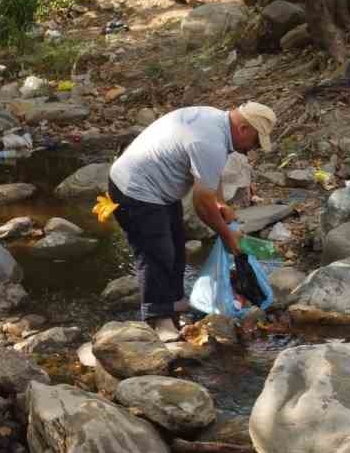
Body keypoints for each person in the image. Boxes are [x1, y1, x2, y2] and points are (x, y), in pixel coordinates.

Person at [106, 102, 277, 338]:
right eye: (256, 141)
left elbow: (209, 176)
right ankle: (158, 320)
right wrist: (227, 235)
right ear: (244, 128)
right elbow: (200, 204)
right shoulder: (211, 141)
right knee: (157, 253)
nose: (253, 148)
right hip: (135, 190)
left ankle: (174, 302)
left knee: (176, 247)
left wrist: (220, 203)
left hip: (158, 188)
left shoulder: (218, 122)